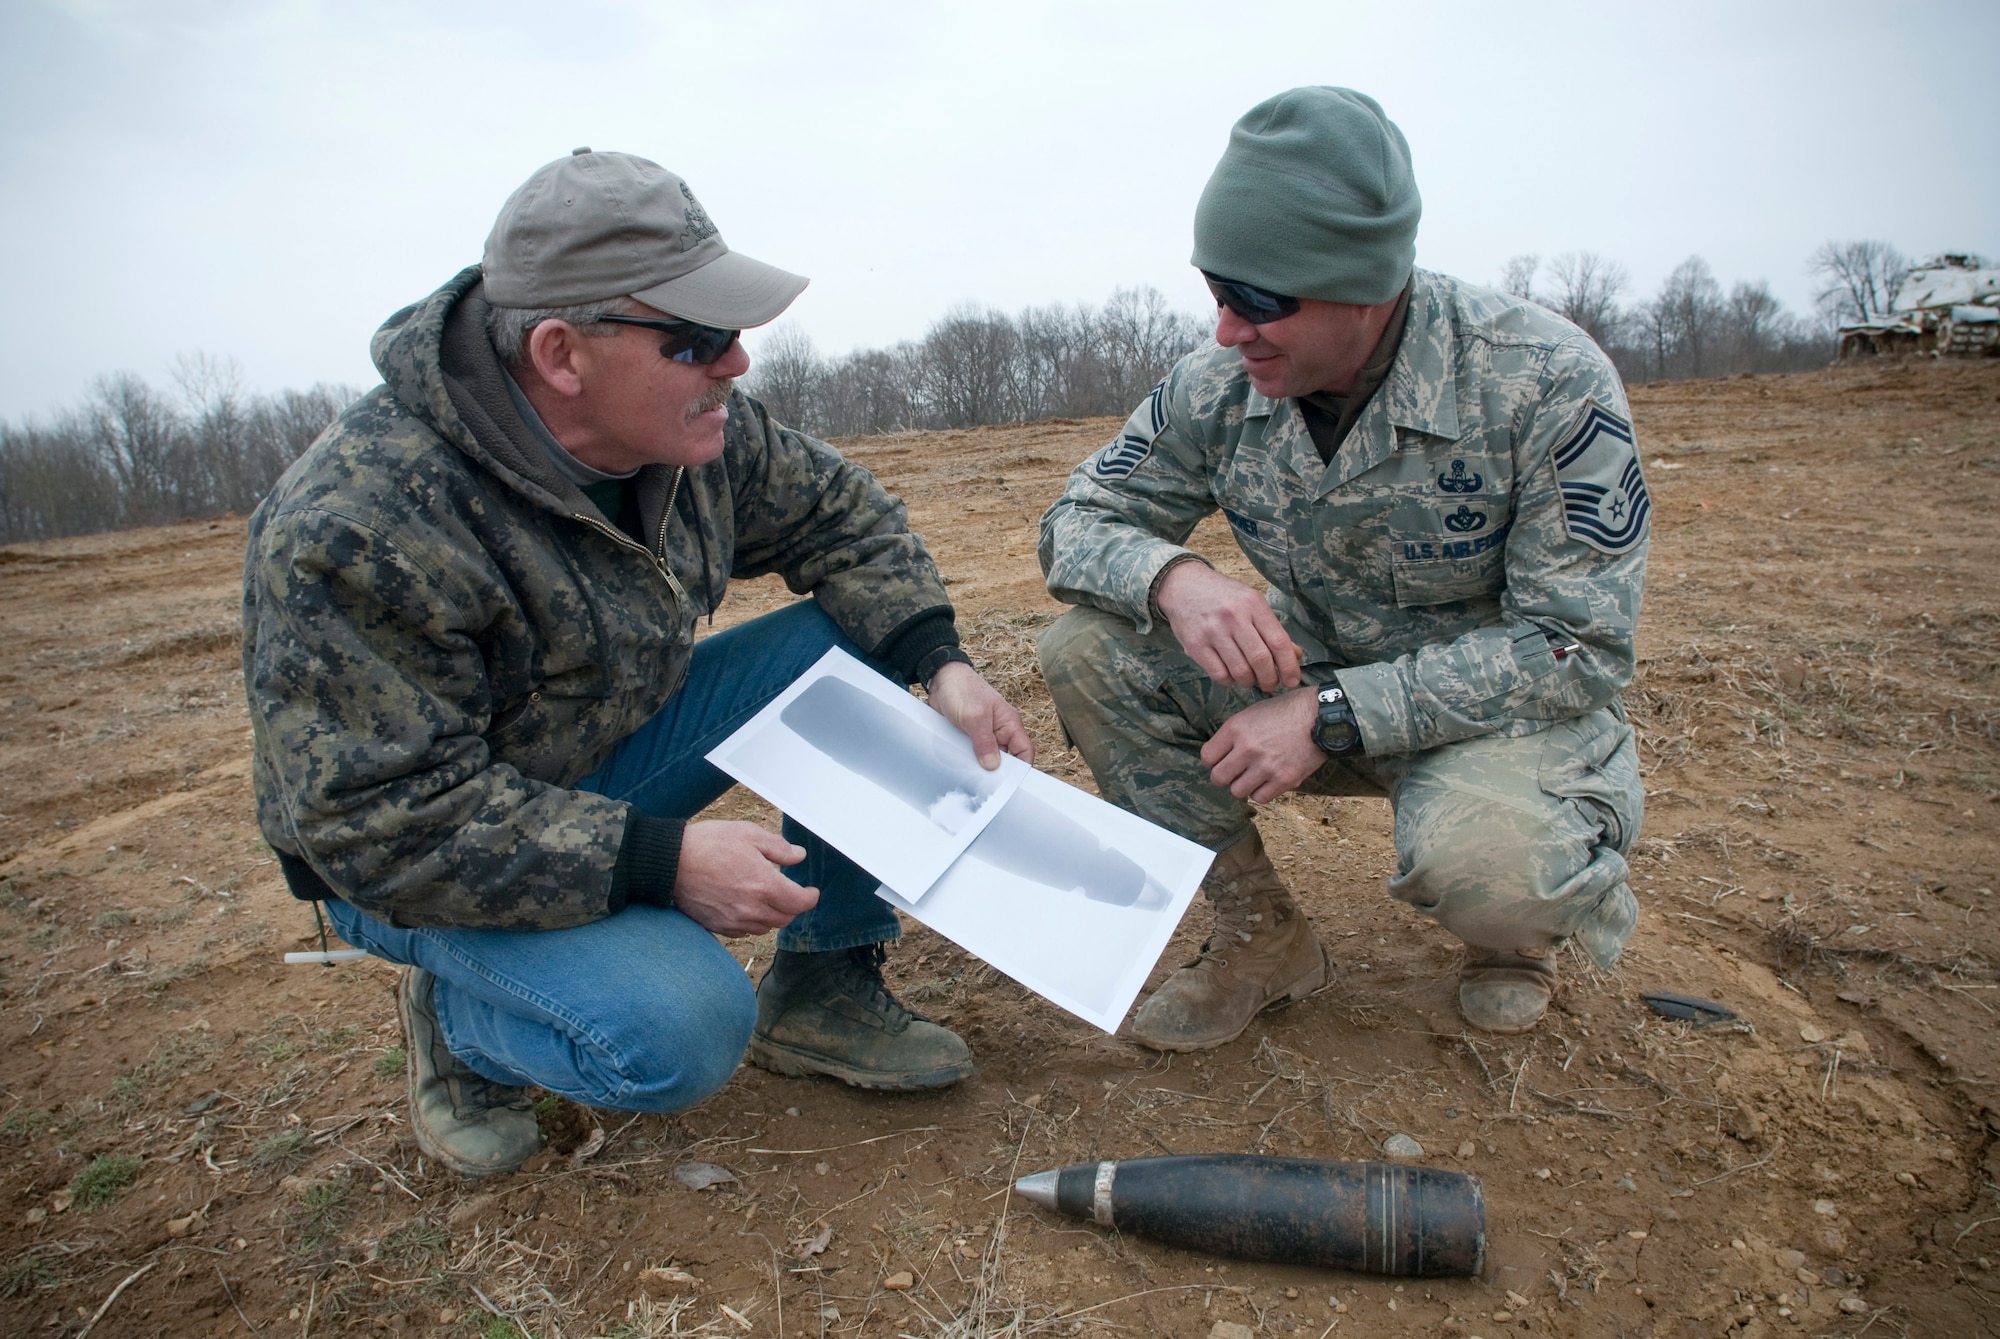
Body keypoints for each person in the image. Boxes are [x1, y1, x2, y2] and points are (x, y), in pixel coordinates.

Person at [243, 148, 1032, 1177]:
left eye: (733, 336)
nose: (736, 365)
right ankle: (464, 1025)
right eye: (698, 340)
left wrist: (940, 662)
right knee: (680, 1031)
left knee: (859, 632)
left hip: (587, 753)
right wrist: (652, 861)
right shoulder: (362, 523)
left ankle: (827, 979)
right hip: (411, 855)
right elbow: (377, 820)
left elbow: (845, 519)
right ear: (562, 353)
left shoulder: (691, 429)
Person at [1038, 88, 1648, 1049]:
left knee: (1495, 876)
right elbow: (1077, 520)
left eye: (1262, 302)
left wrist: (1334, 713)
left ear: (1365, 288)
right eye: (1217, 291)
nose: (1229, 330)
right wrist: (1173, 579)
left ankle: (1513, 933)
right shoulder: (1219, 384)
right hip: (1305, 676)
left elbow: (1575, 646)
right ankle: (1261, 936)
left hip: (1492, 714)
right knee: (1088, 650)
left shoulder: (1543, 380)